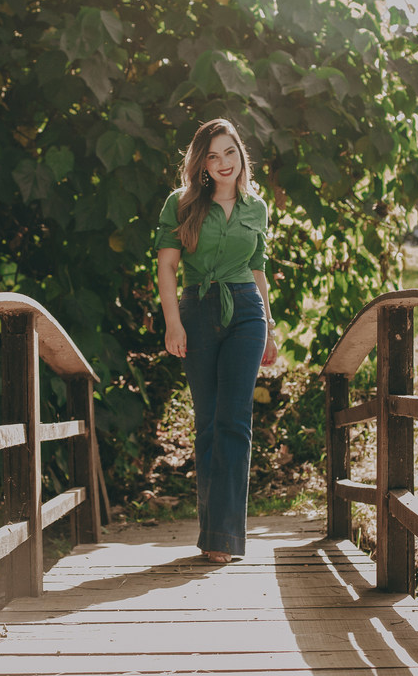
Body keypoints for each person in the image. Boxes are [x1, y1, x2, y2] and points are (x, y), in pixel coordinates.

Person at [154, 118, 278, 564]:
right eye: (213, 155)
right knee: (208, 422)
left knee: (235, 421)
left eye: (230, 152)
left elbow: (258, 269)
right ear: (202, 163)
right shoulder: (181, 204)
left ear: (241, 154)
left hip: (247, 312)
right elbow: (167, 266)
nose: (224, 162)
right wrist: (173, 323)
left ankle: (224, 538)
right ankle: (213, 533)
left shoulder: (256, 208)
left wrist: (270, 326)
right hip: (198, 310)